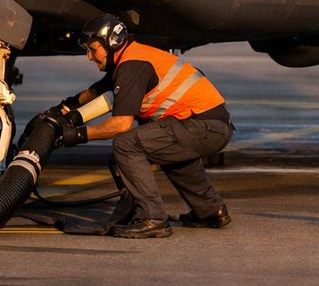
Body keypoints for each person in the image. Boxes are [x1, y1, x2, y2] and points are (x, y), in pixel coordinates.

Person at [25, 14, 234, 239]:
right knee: (171, 155)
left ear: (112, 44)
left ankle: (152, 218)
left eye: (93, 49)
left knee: (126, 145)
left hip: (204, 126)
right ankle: (210, 211)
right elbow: (97, 91)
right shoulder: (131, 56)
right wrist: (64, 108)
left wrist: (75, 135)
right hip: (208, 125)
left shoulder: (132, 65)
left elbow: (121, 124)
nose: (88, 56)